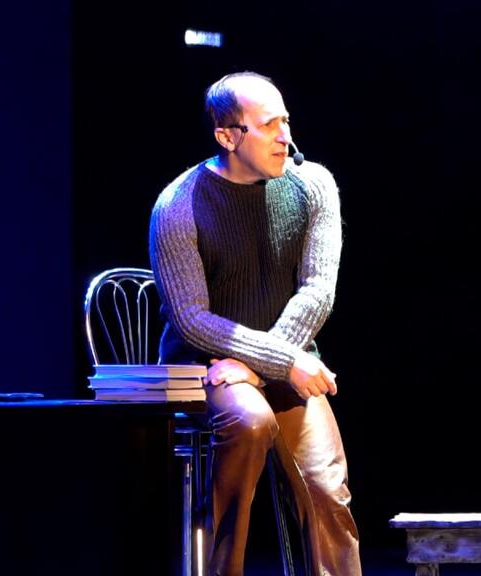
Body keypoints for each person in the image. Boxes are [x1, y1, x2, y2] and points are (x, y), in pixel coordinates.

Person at [149, 71, 361, 575]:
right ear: (228, 136)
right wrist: (280, 361)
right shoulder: (178, 205)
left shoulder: (314, 185)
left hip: (280, 364)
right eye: (268, 126)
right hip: (207, 369)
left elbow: (317, 291)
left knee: (327, 487)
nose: (285, 137)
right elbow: (192, 320)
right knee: (250, 421)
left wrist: (264, 365)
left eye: (286, 121)